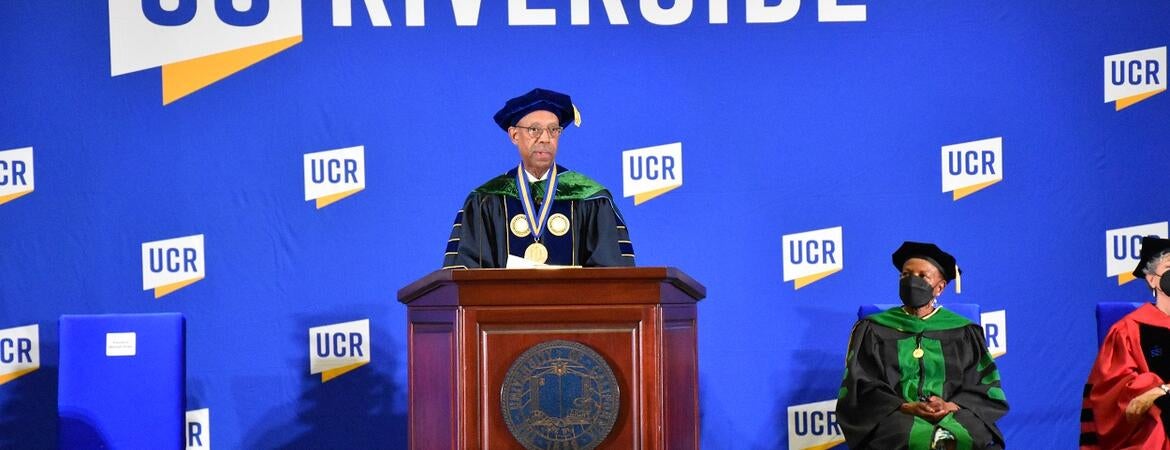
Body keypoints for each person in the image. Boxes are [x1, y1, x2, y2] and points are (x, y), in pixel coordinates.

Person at [837, 241, 1008, 450]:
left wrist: (950, 405)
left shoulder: (963, 330)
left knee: (965, 435)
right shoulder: (874, 328)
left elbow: (982, 383)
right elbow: (861, 384)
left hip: (954, 411)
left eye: (922, 277)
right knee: (905, 435)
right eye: (905, 275)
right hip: (896, 414)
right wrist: (904, 406)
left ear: (940, 287)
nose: (911, 282)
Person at [441, 88, 635, 269]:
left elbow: (613, 278)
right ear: (514, 135)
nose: (545, 138)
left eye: (553, 130)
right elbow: (465, 277)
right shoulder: (485, 201)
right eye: (534, 130)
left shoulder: (591, 198)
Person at [1081, 236, 1170, 449]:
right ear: (1152, 279)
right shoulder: (1129, 330)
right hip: (1157, 430)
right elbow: (1117, 395)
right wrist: (1160, 390)